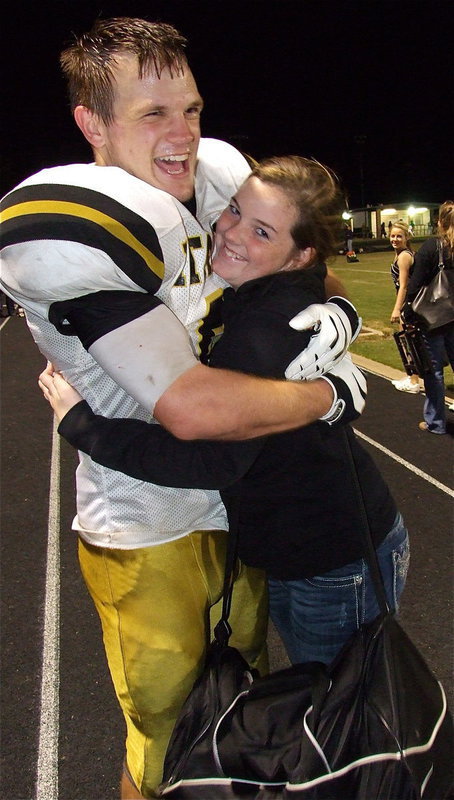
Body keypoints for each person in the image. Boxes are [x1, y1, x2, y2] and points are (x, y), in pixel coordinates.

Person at [0, 17, 364, 800]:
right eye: (154, 113)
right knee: (163, 739)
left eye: (191, 109)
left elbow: (302, 272)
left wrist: (342, 315)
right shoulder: (86, 226)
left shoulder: (217, 183)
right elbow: (193, 410)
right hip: (146, 517)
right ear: (92, 123)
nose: (183, 133)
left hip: (235, 506)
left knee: (245, 719)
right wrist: (326, 394)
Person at [39, 156, 408, 680]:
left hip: (332, 559)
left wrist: (82, 424)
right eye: (234, 211)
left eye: (261, 231)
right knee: (333, 711)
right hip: (322, 546)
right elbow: (323, 282)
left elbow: (206, 460)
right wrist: (344, 313)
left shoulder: (262, 330)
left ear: (300, 253)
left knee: (348, 722)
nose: (230, 232)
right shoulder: (280, 293)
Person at [403, 201, 454, 434]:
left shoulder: (433, 246)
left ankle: (436, 422)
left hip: (434, 320)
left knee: (434, 372)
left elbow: (414, 287)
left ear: (440, 222)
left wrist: (407, 312)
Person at [388, 222, 420, 393]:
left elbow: (404, 286)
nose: (395, 239)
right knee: (408, 341)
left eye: (399, 236)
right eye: (393, 235)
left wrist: (397, 309)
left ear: (407, 237)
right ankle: (411, 376)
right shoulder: (400, 254)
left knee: (410, 342)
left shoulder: (404, 257)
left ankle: (414, 381)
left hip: (409, 305)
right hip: (408, 304)